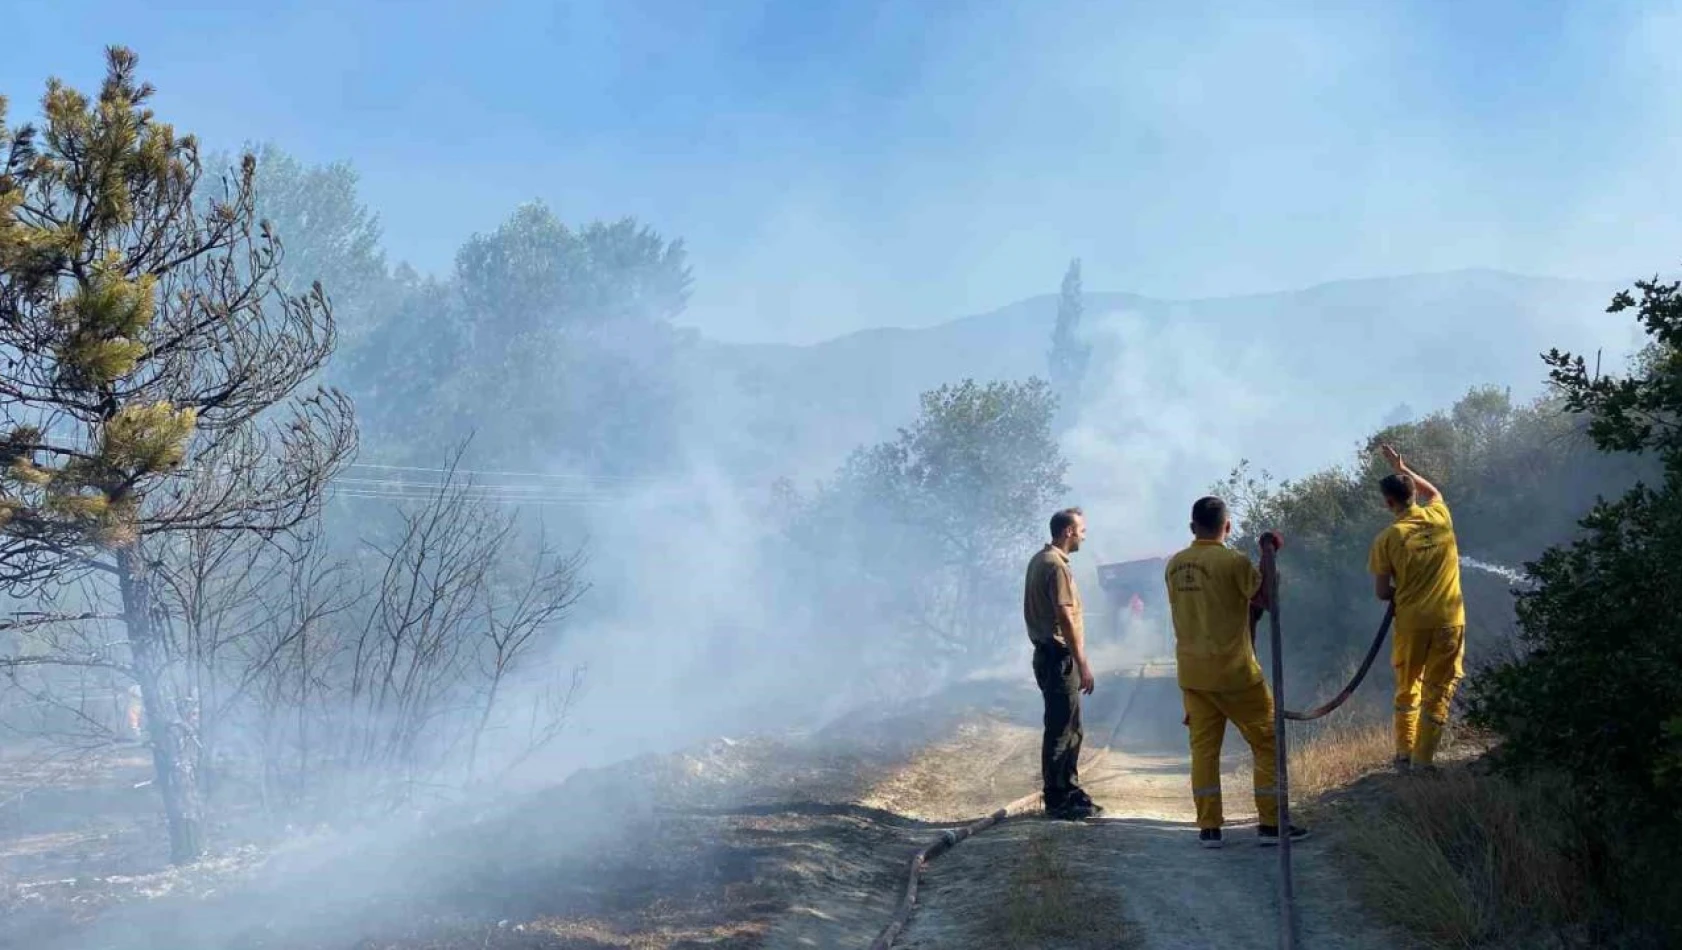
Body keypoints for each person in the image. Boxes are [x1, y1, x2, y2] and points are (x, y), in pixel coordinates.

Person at [1164, 496, 1308, 848]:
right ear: (1227, 526)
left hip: (1193, 676)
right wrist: (1267, 555)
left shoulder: (1174, 565)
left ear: (1192, 527)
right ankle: (1272, 824)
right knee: (1267, 742)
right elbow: (1267, 599)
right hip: (1236, 673)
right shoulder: (1233, 561)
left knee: (1204, 751)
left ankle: (1209, 828)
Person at [1367, 443, 1465, 772]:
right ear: (1413, 495)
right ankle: (1424, 761)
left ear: (1388, 502)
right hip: (1450, 621)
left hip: (1411, 624)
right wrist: (1402, 466)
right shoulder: (1440, 515)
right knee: (1439, 691)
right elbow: (1434, 491)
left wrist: (1402, 586)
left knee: (1408, 688)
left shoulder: (1387, 538)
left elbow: (1383, 592)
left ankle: (1404, 754)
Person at [1023, 507, 1103, 820]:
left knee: (1072, 727)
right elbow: (1065, 617)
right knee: (1061, 729)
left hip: (1049, 655)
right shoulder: (1056, 566)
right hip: (1059, 658)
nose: (1084, 534)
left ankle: (1069, 789)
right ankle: (1057, 798)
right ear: (1068, 532)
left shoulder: (1040, 560)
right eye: (1081, 529)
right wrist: (1083, 663)